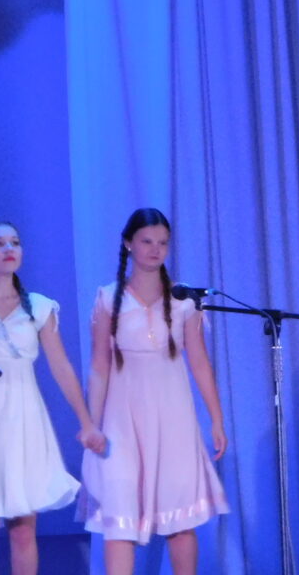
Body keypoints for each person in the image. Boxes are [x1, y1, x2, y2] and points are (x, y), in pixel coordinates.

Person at [0, 221, 106, 575]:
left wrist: (86, 421)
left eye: (14, 242)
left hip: (23, 419)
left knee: (22, 528)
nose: (8, 249)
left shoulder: (40, 307)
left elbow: (61, 366)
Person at [77, 208, 229, 575]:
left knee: (180, 520)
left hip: (173, 418)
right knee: (120, 518)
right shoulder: (108, 298)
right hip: (121, 421)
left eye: (162, 243)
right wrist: (91, 423)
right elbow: (99, 366)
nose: (155, 249)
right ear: (128, 243)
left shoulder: (184, 300)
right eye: (147, 241)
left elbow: (199, 363)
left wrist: (216, 419)